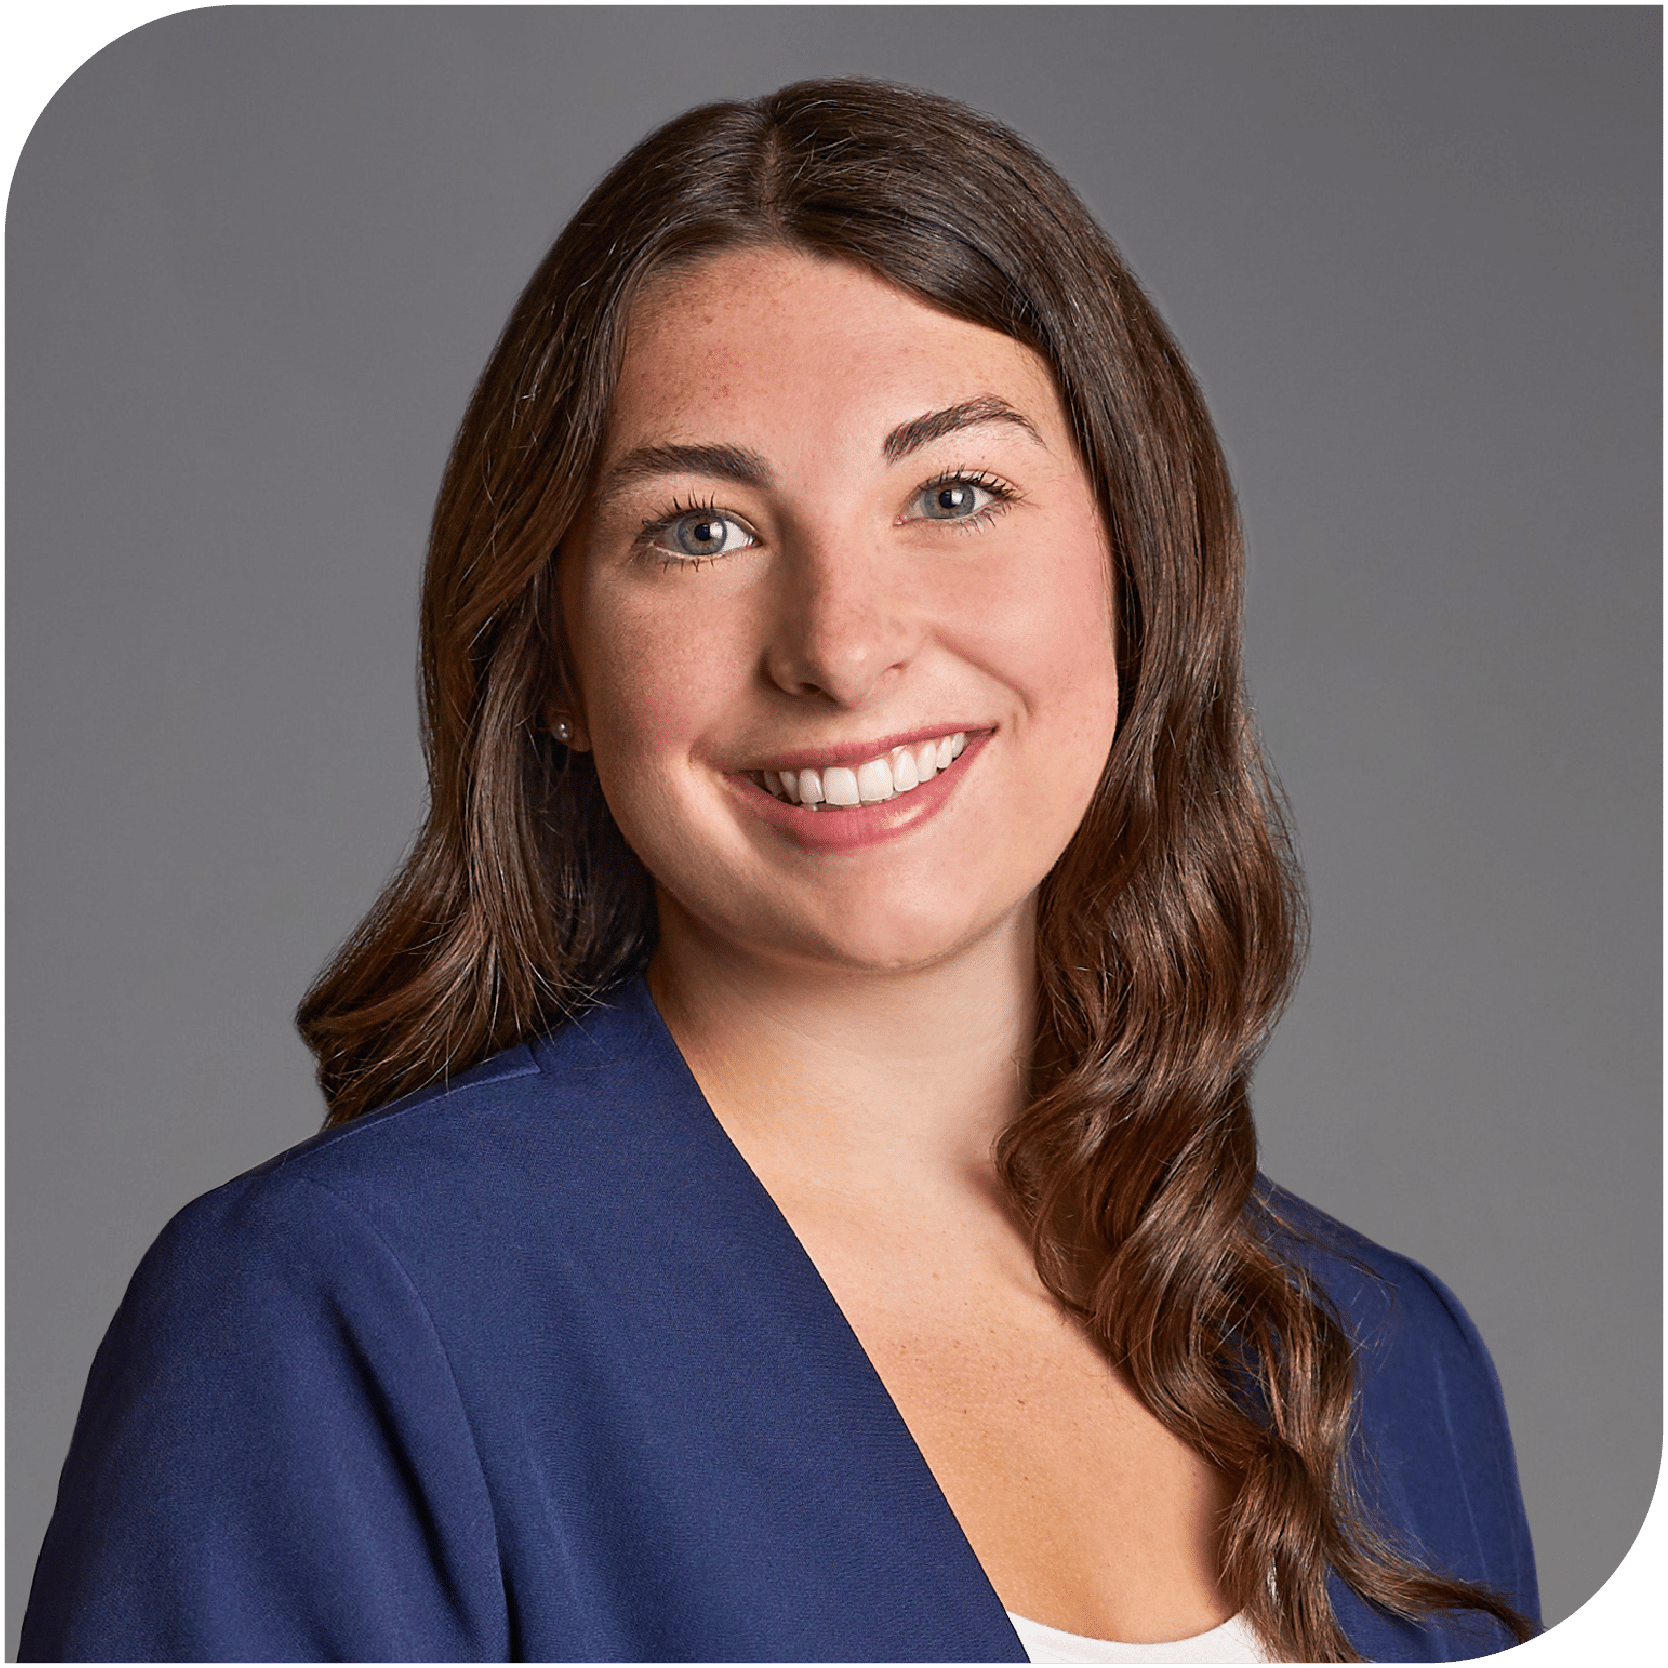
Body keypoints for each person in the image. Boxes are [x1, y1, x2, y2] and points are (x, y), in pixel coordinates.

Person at [19, 80, 1538, 1665]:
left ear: (1137, 565)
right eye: (699, 530)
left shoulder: (1386, 1364)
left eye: (954, 494)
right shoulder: (341, 1321)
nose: (841, 646)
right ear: (553, 658)